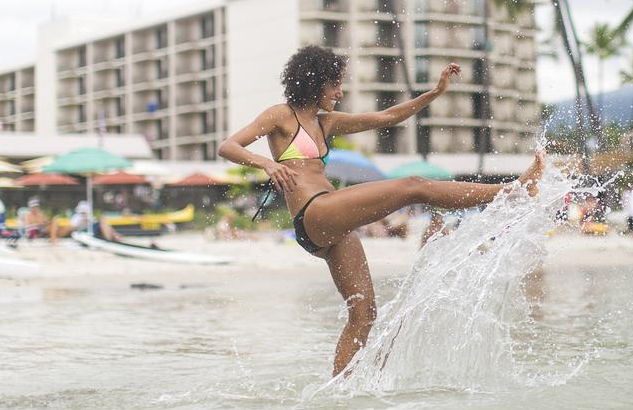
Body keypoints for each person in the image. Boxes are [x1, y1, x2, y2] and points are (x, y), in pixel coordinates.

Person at [218, 45, 544, 376]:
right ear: (314, 83)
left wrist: (434, 92)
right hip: (313, 213)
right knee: (413, 185)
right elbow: (228, 146)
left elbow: (387, 117)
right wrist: (265, 164)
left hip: (332, 229)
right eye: (335, 85)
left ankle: (340, 395)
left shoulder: (326, 122)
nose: (340, 93)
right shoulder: (280, 116)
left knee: (364, 313)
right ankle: (513, 191)